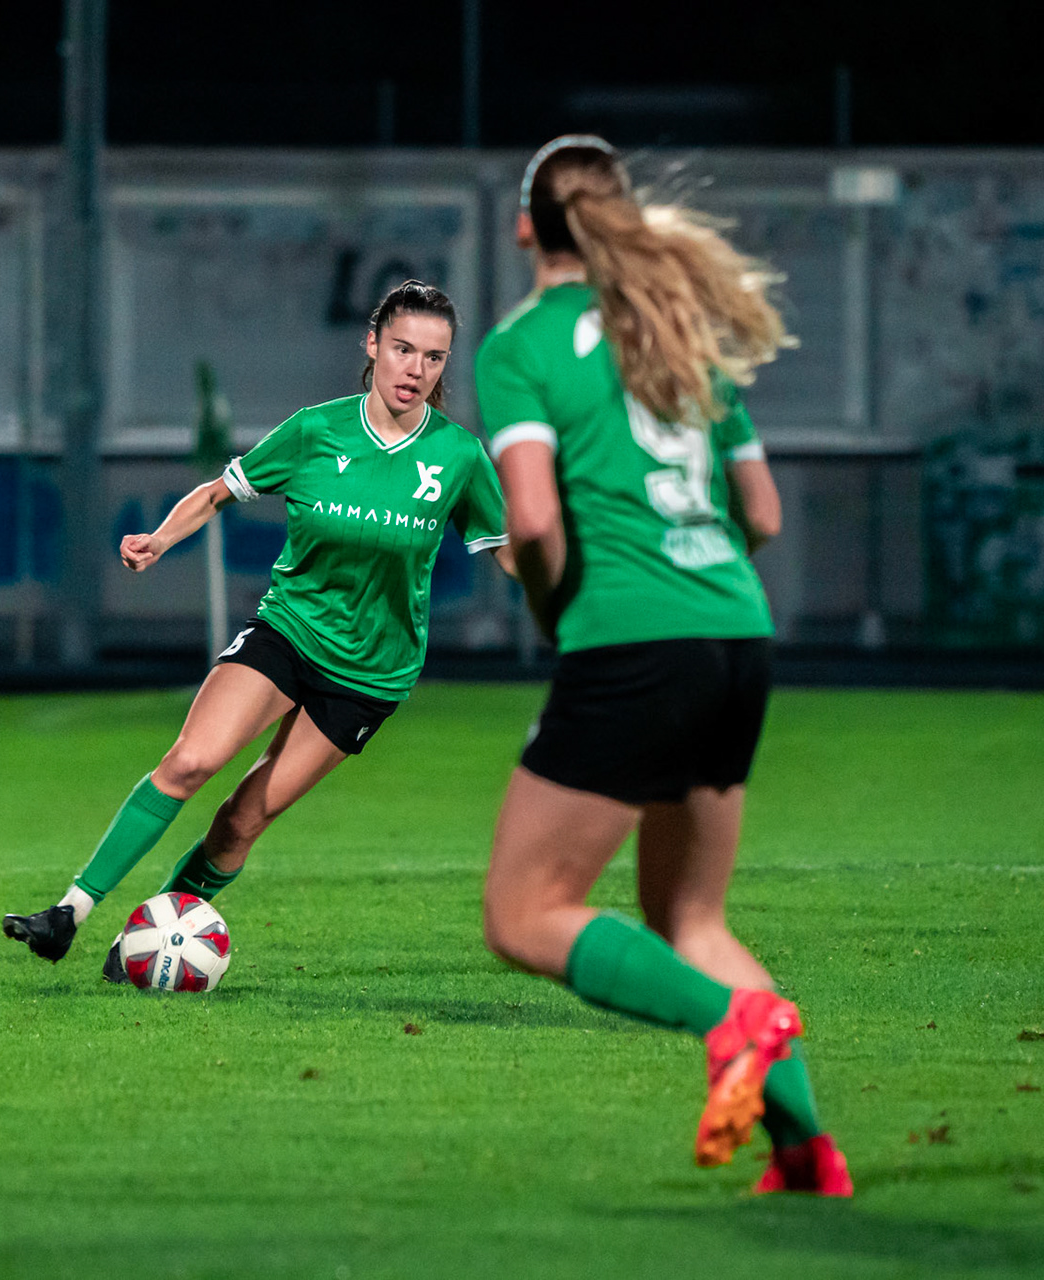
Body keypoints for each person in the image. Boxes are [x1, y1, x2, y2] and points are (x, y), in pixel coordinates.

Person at [476, 135, 852, 1196]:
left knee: (523, 912)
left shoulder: (520, 346)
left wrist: (549, 601)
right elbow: (762, 514)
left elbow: (533, 520)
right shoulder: (678, 331)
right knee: (692, 918)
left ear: (525, 227)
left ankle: (729, 1023)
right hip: (736, 636)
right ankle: (806, 1154)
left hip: (634, 645)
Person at [3, 280, 514, 984]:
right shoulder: (315, 431)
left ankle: (142, 944)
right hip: (289, 632)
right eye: (403, 349)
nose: (416, 369)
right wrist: (159, 539)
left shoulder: (459, 457)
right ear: (372, 345)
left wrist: (578, 576)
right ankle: (69, 913)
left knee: (241, 822)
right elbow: (219, 490)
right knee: (190, 761)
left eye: (434, 357)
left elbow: (509, 550)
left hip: (371, 673)